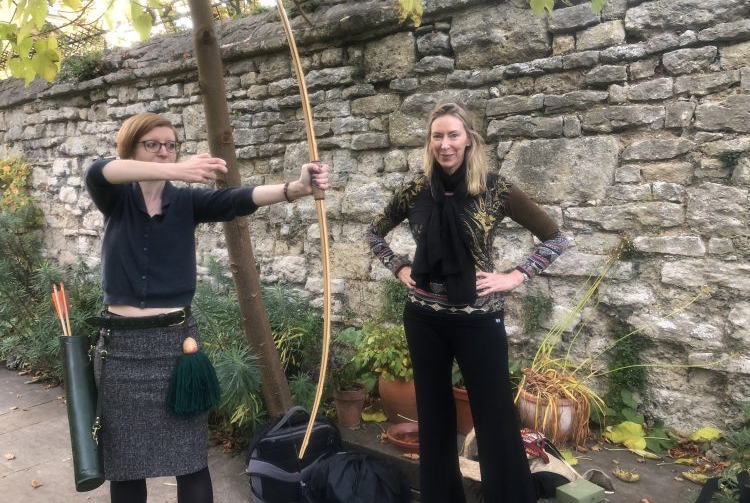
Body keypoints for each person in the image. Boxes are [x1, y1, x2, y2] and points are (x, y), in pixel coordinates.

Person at [84, 112, 329, 503]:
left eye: (171, 145)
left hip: (178, 349)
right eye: (153, 145)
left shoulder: (186, 203)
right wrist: (181, 168)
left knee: (190, 461)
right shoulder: (115, 197)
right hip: (122, 355)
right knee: (125, 465)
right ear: (131, 149)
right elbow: (99, 170)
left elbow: (238, 199)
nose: (164, 152)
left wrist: (295, 188)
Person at [366, 101, 570, 503]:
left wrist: (514, 276)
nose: (445, 144)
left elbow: (557, 238)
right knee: (435, 416)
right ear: (429, 142)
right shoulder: (414, 190)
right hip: (424, 318)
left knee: (495, 418)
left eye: (453, 135)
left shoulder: (495, 189)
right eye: (437, 136)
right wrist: (398, 267)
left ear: (469, 140)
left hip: (480, 319)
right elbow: (374, 232)